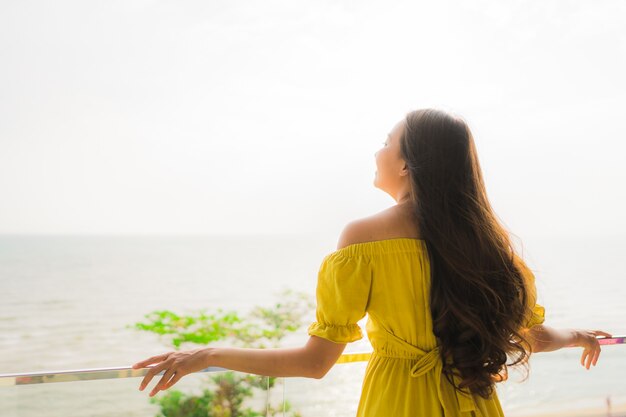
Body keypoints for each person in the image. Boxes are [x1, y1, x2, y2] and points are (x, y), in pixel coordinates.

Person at [133, 108, 612, 416]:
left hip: (396, 405)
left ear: (407, 164)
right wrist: (579, 336)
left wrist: (209, 354)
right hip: (474, 406)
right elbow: (528, 335)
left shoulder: (363, 238)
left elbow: (315, 363)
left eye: (386, 141)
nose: (376, 150)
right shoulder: (488, 245)